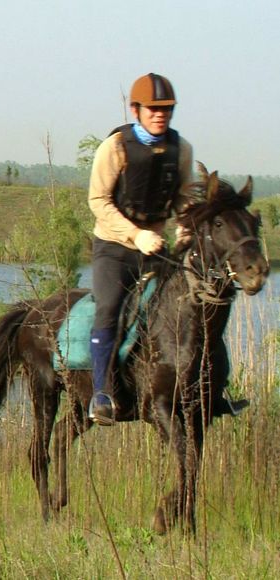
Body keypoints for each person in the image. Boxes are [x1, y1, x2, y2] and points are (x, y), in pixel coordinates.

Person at [87, 72, 248, 426]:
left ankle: (214, 391)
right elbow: (98, 201)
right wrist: (136, 234)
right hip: (114, 248)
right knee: (111, 308)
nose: (160, 115)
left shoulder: (181, 149)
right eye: (153, 109)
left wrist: (185, 232)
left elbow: (183, 200)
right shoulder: (114, 148)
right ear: (136, 109)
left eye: (167, 109)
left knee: (199, 309)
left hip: (157, 250)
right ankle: (101, 393)